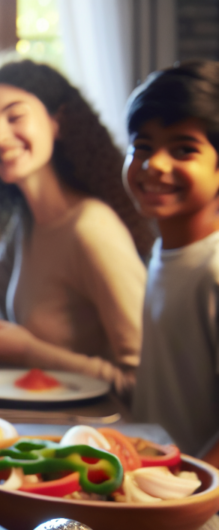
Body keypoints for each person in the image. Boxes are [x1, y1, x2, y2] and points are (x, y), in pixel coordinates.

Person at [0, 60, 153, 396]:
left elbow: (142, 382)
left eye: (15, 117)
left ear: (57, 122)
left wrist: (29, 350)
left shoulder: (91, 228)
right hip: (39, 420)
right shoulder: (28, 222)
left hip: (92, 436)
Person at [125, 61, 219, 456]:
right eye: (142, 146)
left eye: (184, 149)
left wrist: (198, 491)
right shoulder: (163, 254)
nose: (154, 164)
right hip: (158, 480)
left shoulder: (212, 269)